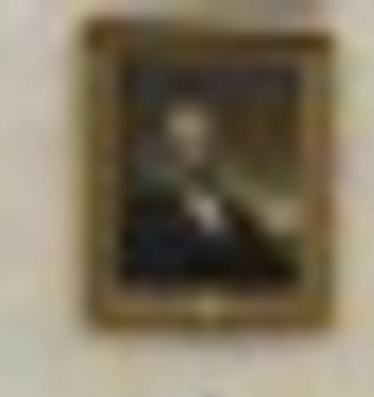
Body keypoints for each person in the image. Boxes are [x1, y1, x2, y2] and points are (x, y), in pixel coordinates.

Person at [119, 97, 295, 293]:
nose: (196, 150)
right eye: (183, 141)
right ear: (164, 147)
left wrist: (277, 234)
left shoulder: (232, 207)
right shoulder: (145, 212)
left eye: (204, 139)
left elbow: (273, 270)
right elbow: (161, 280)